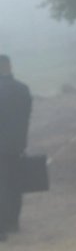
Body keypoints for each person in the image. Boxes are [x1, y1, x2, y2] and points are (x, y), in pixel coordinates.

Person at [0, 53, 33, 241]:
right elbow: (26, 116)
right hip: (16, 144)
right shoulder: (23, 89)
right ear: (9, 67)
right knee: (14, 183)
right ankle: (13, 221)